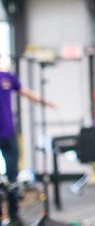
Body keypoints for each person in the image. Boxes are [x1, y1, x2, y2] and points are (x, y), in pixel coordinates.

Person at [0, 69, 55, 226]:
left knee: (12, 177)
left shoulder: (7, 77)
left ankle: (13, 215)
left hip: (8, 134)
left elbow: (25, 92)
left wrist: (44, 102)